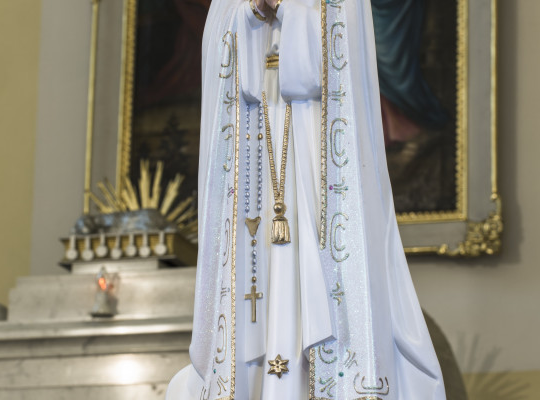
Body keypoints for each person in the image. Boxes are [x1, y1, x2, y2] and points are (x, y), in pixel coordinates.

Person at [166, 0, 446, 398]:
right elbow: (218, 44)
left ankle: (327, 375)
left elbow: (342, 50)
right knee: (260, 258)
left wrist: (286, 9)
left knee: (313, 244)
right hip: (255, 142)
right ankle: (257, 379)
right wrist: (251, 13)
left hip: (317, 138)